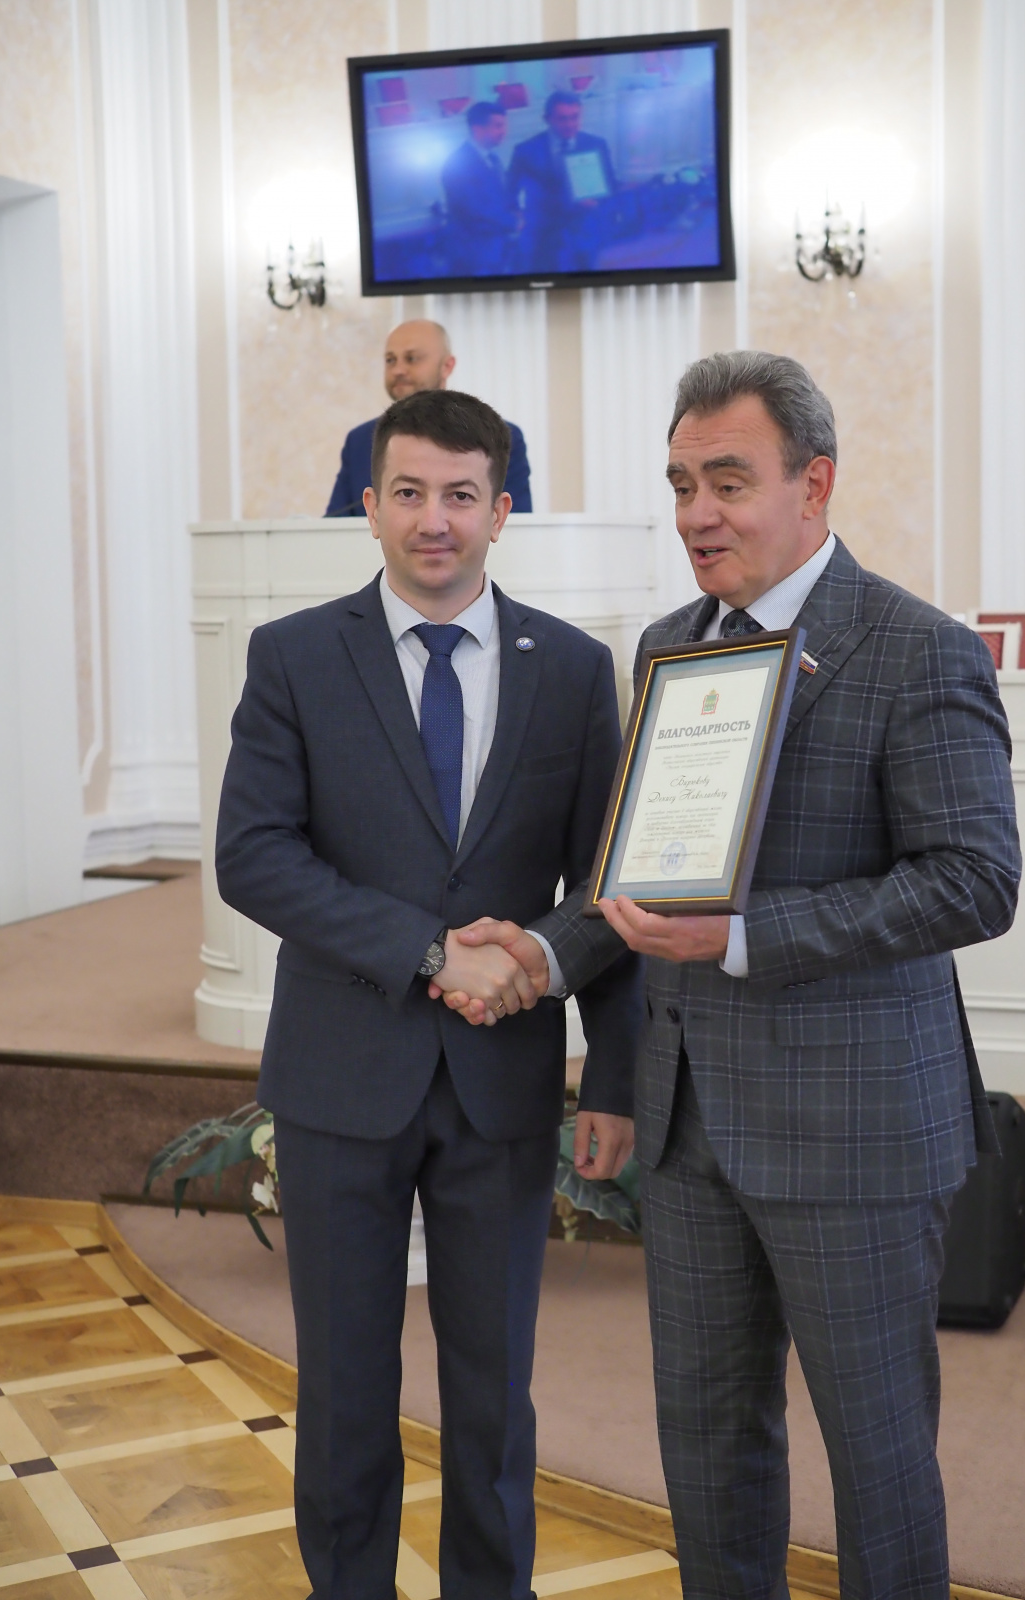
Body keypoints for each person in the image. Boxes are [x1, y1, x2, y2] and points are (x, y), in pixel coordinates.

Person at [466, 351, 1021, 1599]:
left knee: (879, 1465)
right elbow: (639, 876)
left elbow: (975, 881)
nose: (697, 514)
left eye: (729, 480)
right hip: (690, 1128)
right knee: (710, 1454)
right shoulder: (670, 646)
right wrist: (544, 952)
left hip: (855, 1131)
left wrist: (747, 934)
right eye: (681, 484)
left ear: (813, 485)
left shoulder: (917, 649)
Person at [217, 387, 638, 1599]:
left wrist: (609, 1074)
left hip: (502, 1084)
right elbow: (255, 855)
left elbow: (606, 888)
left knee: (494, 1393)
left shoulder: (573, 669)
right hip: (341, 1079)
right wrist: (430, 951)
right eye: (408, 492)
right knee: (345, 1391)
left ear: (502, 511)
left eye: (461, 494)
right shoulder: (295, 655)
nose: (433, 519)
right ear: (370, 506)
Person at [326, 319, 532, 515]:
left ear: (447, 366)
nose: (398, 370)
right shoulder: (360, 440)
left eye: (412, 358)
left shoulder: (497, 436)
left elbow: (516, 525)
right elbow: (334, 527)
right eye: (390, 360)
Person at [507, 90, 616, 273]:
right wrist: (518, 218)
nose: (570, 124)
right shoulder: (525, 151)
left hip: (584, 231)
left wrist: (598, 203)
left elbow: (609, 184)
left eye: (575, 117)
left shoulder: (596, 144)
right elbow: (510, 192)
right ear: (547, 119)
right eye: (562, 119)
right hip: (542, 235)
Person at [440, 101, 520, 277]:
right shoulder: (458, 163)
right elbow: (475, 209)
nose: (504, 131)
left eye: (504, 125)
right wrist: (514, 222)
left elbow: (500, 197)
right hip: (474, 254)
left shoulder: (493, 159)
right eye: (498, 126)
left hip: (494, 248)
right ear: (477, 129)